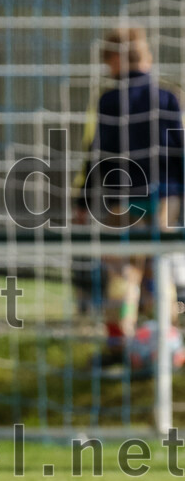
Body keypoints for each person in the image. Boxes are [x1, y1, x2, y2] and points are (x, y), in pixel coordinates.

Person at [73, 25, 184, 363]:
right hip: (164, 196)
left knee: (122, 270)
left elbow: (97, 153)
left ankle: (119, 345)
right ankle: (168, 341)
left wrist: (83, 200)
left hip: (123, 196)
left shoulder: (109, 100)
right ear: (147, 58)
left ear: (114, 61)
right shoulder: (168, 97)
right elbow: (180, 150)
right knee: (158, 264)